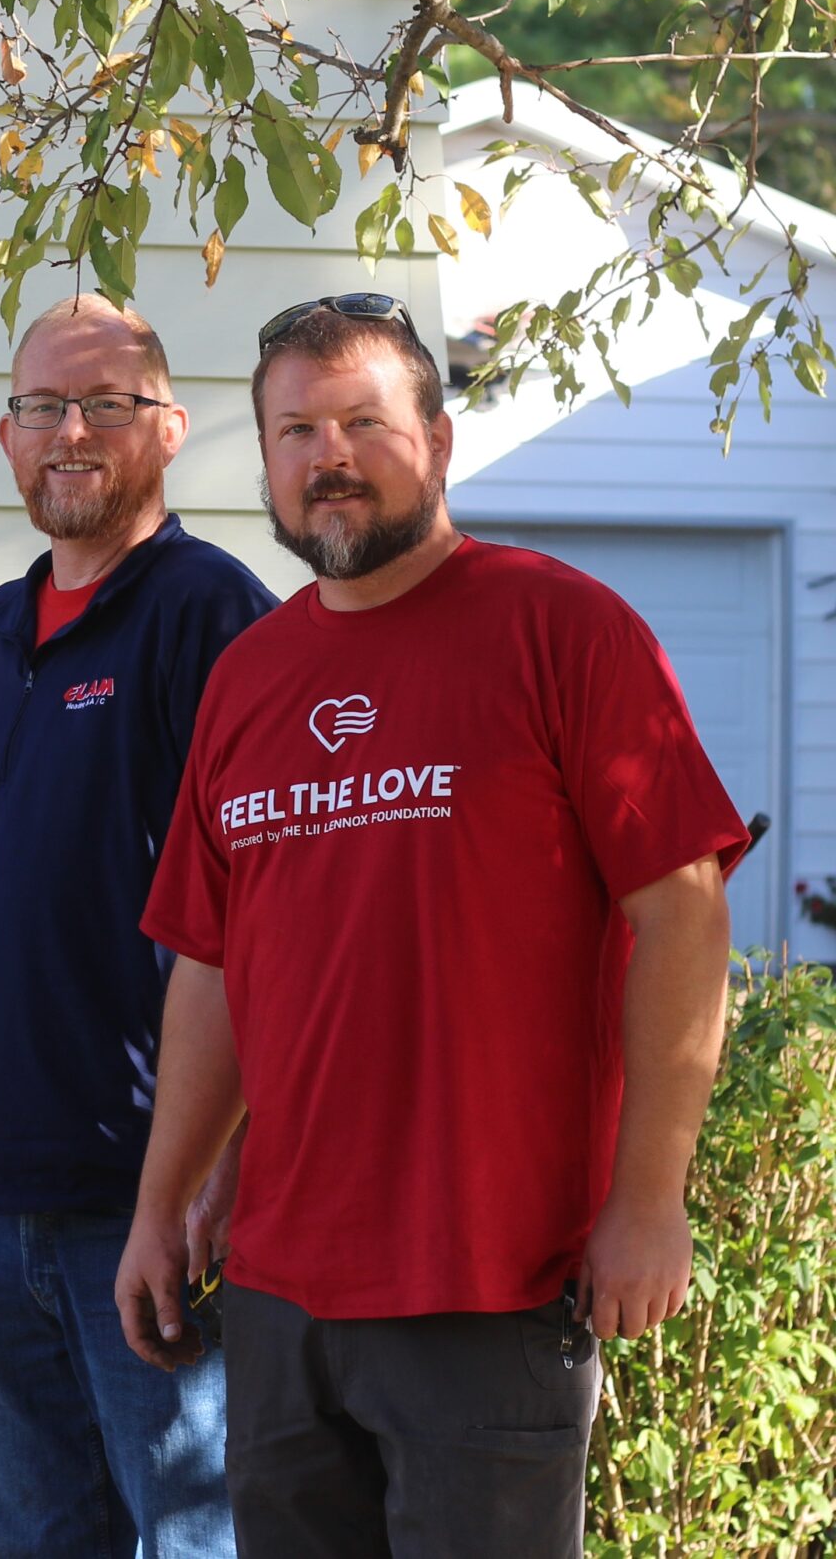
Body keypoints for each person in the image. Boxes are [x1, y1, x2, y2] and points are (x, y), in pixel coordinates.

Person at [116, 294, 749, 1558]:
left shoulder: (562, 630)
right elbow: (211, 963)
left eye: (363, 420)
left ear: (440, 442)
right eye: (293, 430)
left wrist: (649, 1198)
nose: (326, 455)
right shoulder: (249, 677)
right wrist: (161, 1198)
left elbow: (682, 918)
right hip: (284, 1286)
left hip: (491, 1277)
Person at [0, 295, 273, 1558]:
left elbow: (260, 916)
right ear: (5, 438)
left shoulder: (213, 619)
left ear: (166, 429)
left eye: (104, 405)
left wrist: (209, 1173)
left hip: (145, 1201)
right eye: (41, 407)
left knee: (189, 1542)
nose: (70, 432)